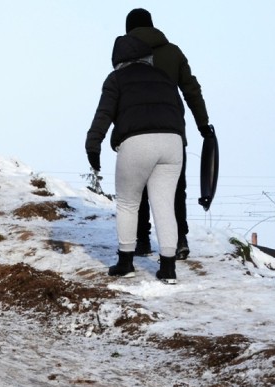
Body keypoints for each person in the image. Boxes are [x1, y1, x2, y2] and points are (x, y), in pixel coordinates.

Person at [86, 35, 185, 284]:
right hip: (172, 143)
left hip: (137, 143)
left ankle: (126, 262)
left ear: (118, 60)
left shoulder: (116, 79)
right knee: (164, 205)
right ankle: (168, 268)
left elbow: (104, 114)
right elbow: (178, 111)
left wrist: (93, 144)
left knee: (129, 204)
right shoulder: (164, 77)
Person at [125, 8, 214, 260]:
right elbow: (191, 90)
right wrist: (203, 124)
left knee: (138, 187)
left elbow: (119, 96)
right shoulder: (173, 52)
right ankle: (179, 239)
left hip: (136, 131)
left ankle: (142, 240)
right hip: (171, 131)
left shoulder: (126, 56)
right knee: (176, 188)